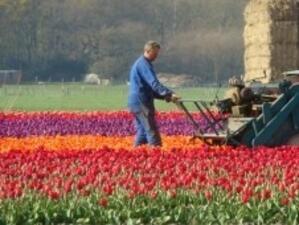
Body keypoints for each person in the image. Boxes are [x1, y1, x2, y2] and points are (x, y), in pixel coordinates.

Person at [128, 40, 180, 147]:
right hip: (141, 101)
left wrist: (166, 96)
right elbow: (154, 84)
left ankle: (136, 155)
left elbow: (151, 89)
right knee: (152, 131)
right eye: (155, 53)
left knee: (142, 132)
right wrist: (169, 94)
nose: (156, 56)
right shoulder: (143, 64)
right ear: (148, 51)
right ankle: (156, 154)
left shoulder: (141, 63)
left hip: (135, 102)